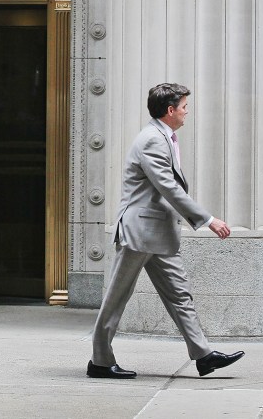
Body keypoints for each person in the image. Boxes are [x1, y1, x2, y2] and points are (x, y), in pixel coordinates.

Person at [88, 83, 245, 379]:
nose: (187, 112)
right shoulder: (152, 140)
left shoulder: (164, 137)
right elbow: (168, 187)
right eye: (184, 107)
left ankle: (203, 355)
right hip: (140, 232)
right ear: (170, 110)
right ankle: (99, 360)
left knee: (180, 295)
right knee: (117, 297)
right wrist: (208, 219)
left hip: (158, 233)